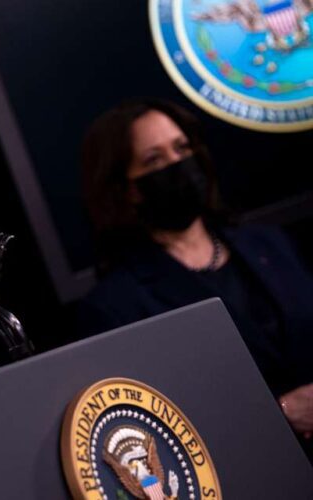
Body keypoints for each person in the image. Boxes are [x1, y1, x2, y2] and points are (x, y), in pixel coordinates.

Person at [77, 98, 313, 459]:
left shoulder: (269, 243)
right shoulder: (116, 306)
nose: (178, 165)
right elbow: (152, 433)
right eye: (154, 160)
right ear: (128, 189)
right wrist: (280, 413)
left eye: (182, 148)